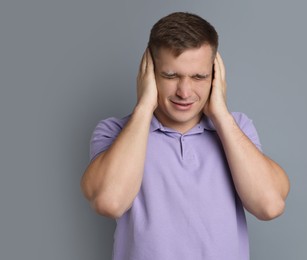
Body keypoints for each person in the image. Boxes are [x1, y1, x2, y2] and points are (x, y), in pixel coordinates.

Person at [81, 12, 290, 260]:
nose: (184, 91)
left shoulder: (237, 128)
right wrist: (144, 107)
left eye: (199, 77)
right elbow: (109, 202)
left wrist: (221, 114)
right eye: (170, 76)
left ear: (215, 76)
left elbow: (269, 205)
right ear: (149, 73)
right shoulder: (114, 131)